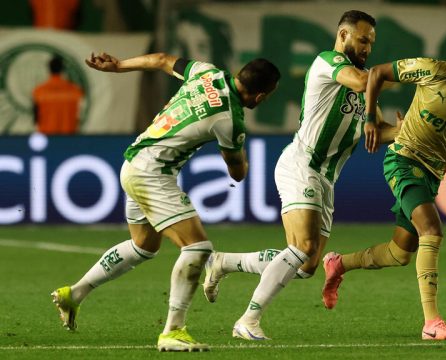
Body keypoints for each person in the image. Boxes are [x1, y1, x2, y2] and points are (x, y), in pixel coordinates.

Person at [51, 52, 280, 351]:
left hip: (134, 163)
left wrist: (119, 66)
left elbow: (160, 59)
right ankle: (173, 331)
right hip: (152, 174)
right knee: (198, 248)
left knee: (143, 247)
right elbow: (237, 173)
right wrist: (239, 150)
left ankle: (75, 293)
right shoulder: (230, 120)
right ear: (261, 95)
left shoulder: (206, 72)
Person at [201, 10, 398, 341]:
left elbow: (377, 131)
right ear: (344, 36)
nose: (367, 48)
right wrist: (416, 73)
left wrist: (406, 129)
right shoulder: (327, 62)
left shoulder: (366, 86)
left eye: (371, 43)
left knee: (305, 265)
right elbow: (366, 81)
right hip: (302, 164)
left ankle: (222, 262)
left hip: (326, 180)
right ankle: (248, 321)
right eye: (363, 40)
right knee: (304, 247)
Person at [321, 29, 446, 340]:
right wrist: (370, 117)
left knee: (400, 253)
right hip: (403, 160)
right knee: (432, 230)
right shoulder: (432, 69)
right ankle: (431, 323)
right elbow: (379, 73)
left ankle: (338, 264)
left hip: (433, 173)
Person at [33, 55, 84, 135]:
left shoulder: (39, 90)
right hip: (69, 135)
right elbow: (80, 113)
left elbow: (36, 118)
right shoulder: (75, 90)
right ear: (62, 69)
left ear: (49, 69)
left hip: (46, 135)